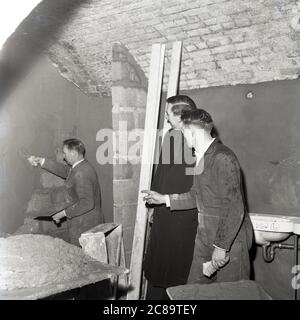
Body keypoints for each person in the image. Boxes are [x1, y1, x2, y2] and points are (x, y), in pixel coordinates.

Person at [142, 108, 253, 284]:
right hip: (204, 240)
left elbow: (234, 207)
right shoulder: (201, 158)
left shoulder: (223, 157)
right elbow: (195, 195)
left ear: (193, 132)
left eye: (184, 133)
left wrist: (221, 247)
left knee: (231, 293)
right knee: (195, 291)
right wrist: (164, 199)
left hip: (229, 244)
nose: (182, 137)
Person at [143, 95, 198, 300]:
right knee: (158, 265)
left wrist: (168, 201)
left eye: (168, 113)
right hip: (163, 210)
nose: (166, 117)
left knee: (176, 268)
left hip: (182, 215)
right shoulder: (170, 136)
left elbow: (193, 185)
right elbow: (162, 172)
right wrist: (154, 206)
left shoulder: (194, 138)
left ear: (181, 115)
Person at [28, 138, 104, 246]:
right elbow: (66, 171)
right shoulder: (81, 166)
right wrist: (42, 161)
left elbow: (87, 203)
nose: (63, 156)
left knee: (83, 258)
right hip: (84, 223)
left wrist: (63, 213)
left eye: (64, 153)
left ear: (73, 154)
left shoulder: (82, 174)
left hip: (85, 226)